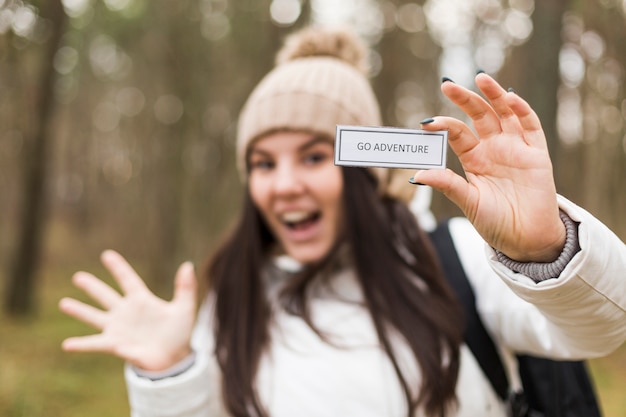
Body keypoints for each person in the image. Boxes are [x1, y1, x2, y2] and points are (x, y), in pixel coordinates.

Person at [59, 26, 626, 417]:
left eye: (311, 156)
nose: (283, 184)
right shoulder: (231, 298)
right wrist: (169, 376)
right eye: (262, 163)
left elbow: (601, 329)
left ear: (364, 167)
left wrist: (547, 249)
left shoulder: (457, 257)